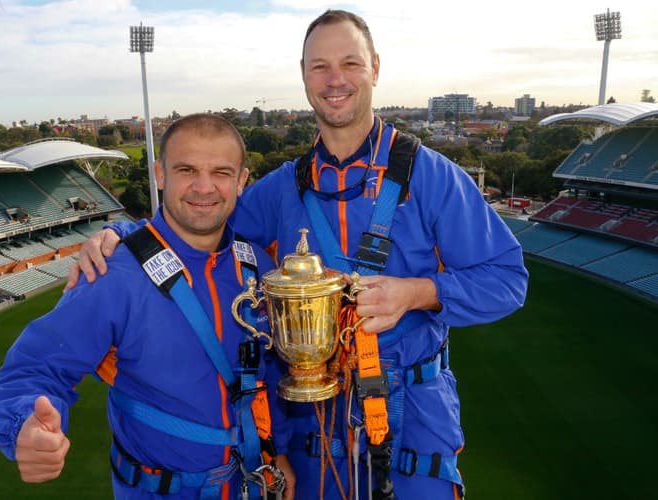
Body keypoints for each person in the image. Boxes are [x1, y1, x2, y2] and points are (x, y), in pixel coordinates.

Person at [69, 10, 528, 500]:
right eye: (319, 67)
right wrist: (124, 234)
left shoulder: (432, 177)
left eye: (350, 64)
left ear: (374, 68)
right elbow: (199, 223)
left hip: (410, 416)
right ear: (304, 76)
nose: (335, 80)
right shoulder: (283, 188)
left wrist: (418, 292)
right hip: (311, 420)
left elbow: (506, 279)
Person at [0, 114, 296, 500]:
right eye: (187, 170)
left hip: (251, 484)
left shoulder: (260, 269)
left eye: (221, 172)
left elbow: (273, 375)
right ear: (160, 174)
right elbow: (37, 365)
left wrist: (276, 452)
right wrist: (25, 424)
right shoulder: (113, 273)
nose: (204, 186)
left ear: (242, 180)